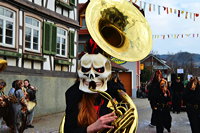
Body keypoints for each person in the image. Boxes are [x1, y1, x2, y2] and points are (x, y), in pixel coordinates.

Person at [64, 53, 126, 133]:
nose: (92, 75)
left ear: (108, 73)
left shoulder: (115, 95)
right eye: (86, 69)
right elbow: (68, 130)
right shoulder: (74, 98)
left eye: (99, 70)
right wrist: (89, 129)